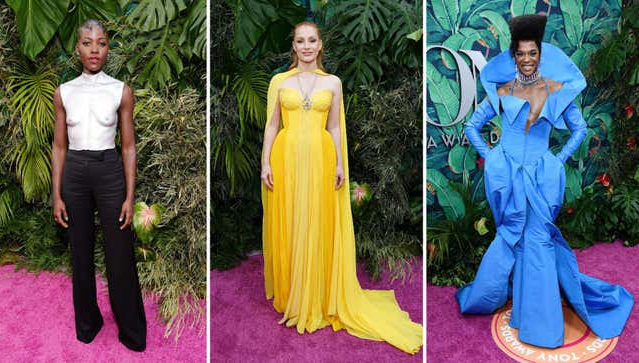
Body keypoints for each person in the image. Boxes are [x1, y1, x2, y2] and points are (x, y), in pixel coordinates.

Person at [457, 14, 633, 348]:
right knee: (516, 239)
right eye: (520, 54)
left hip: (540, 179)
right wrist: (493, 156)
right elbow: (471, 126)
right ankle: (521, 313)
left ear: (541, 53)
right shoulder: (503, 88)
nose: (526, 59)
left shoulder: (554, 89)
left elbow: (579, 129)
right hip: (508, 178)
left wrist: (556, 160)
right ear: (513, 55)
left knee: (537, 240)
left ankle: (542, 326)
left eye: (532, 53)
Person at [260, 21, 422, 354]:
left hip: (320, 161)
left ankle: (317, 296)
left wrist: (338, 164)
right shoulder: (279, 82)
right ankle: (294, 294)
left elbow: (335, 127)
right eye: (300, 41)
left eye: (312, 41)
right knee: (291, 222)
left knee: (318, 223)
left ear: (320, 46)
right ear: (293, 46)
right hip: (286, 160)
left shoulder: (333, 83)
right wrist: (265, 163)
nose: (306, 46)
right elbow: (272, 125)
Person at [51, 19, 147, 352]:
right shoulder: (63, 92)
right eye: (88, 43)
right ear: (77, 48)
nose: (95, 49)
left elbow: (129, 146)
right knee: (79, 250)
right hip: (75, 171)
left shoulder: (121, 90)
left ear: (109, 47)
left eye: (102, 43)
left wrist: (129, 195)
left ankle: (132, 331)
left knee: (119, 252)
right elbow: (59, 146)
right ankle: (88, 323)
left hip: (109, 171)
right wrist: (56, 194)